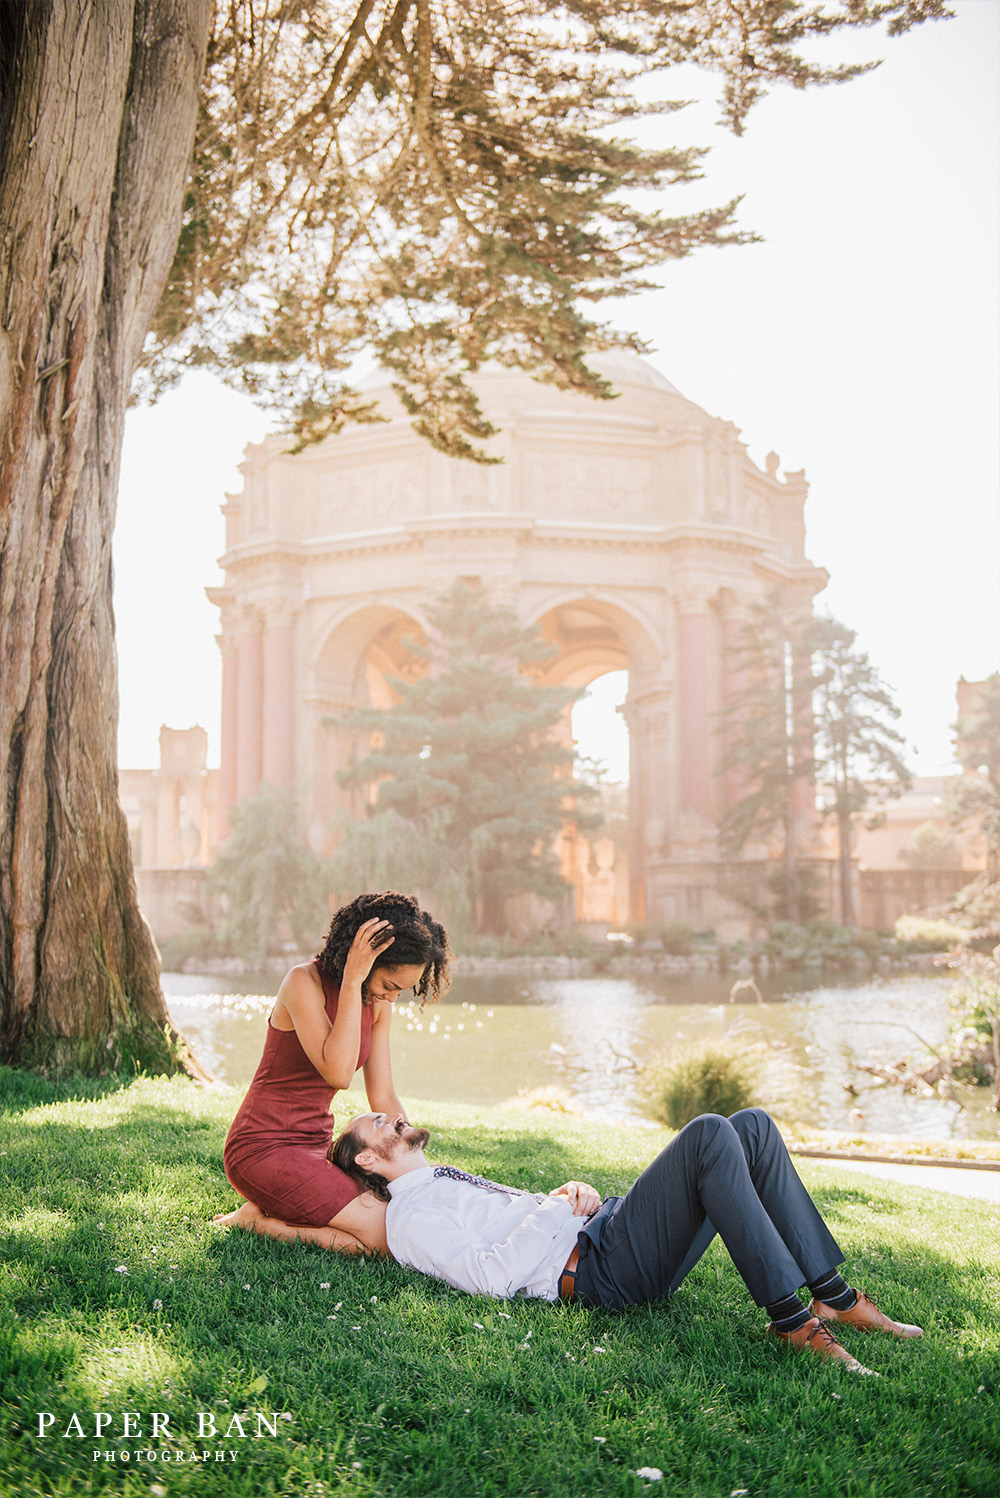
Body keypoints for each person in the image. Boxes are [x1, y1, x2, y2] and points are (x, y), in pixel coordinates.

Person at [328, 1107, 923, 1375]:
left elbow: (526, 1215)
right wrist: (557, 1211)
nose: (391, 1116)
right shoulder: (413, 1219)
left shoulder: (439, 1180)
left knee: (753, 1129)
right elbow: (488, 1277)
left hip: (605, 1230)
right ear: (369, 1160)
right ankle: (794, 1323)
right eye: (376, 1124)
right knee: (711, 1133)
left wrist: (568, 1191)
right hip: (599, 1269)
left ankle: (834, 1298)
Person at [215, 891, 450, 1255]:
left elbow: (384, 1096)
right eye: (389, 985)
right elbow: (338, 1073)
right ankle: (257, 1223)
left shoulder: (378, 1006)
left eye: (401, 991)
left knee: (401, 1212)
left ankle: (271, 1209)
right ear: (364, 961)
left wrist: (415, 1167)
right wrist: (354, 981)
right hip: (263, 1147)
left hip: (322, 1148)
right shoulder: (302, 984)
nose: (391, 998)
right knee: (384, 1239)